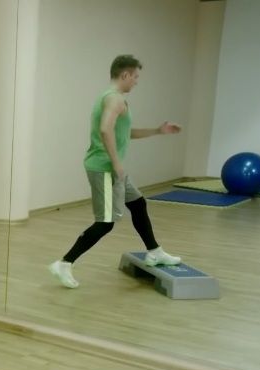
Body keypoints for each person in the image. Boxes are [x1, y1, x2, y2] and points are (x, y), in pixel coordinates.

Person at [50, 54, 183, 289]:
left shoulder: (110, 97)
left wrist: (158, 131)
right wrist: (116, 164)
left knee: (138, 204)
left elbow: (124, 133)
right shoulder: (115, 99)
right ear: (125, 74)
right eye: (135, 77)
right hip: (104, 168)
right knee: (105, 223)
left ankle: (154, 251)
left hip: (109, 167)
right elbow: (105, 129)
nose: (137, 81)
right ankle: (64, 263)